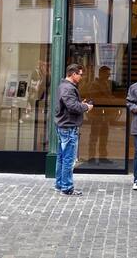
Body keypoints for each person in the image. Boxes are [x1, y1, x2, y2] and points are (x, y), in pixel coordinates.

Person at [54, 63, 93, 196]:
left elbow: (70, 105)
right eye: (80, 74)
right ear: (73, 74)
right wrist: (86, 107)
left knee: (61, 157)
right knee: (68, 159)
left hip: (64, 125)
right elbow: (72, 106)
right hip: (68, 126)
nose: (81, 77)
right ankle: (66, 188)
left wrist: (80, 104)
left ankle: (60, 185)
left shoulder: (64, 86)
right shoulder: (68, 88)